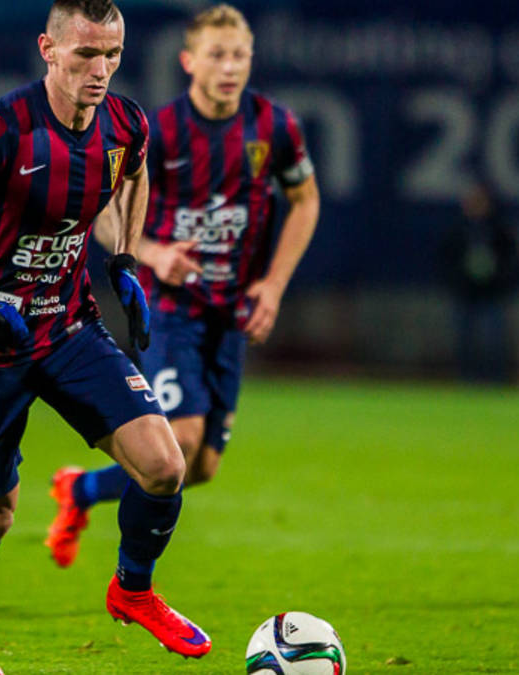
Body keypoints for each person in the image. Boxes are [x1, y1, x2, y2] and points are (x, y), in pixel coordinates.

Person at [0, 1, 211, 672]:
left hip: (69, 328)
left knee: (165, 466)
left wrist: (124, 259)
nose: (101, 70)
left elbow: (133, 174)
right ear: (48, 49)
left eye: (112, 55)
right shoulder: (1, 127)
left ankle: (132, 590)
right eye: (86, 54)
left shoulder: (125, 122)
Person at [44, 4, 319, 567]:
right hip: (169, 310)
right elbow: (102, 213)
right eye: (217, 55)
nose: (229, 67)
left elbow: (305, 200)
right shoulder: (160, 131)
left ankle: (81, 490)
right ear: (189, 62)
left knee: (203, 468)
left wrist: (272, 286)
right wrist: (152, 253)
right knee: (183, 439)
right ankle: (132, 577)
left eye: (239, 55)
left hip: (232, 313)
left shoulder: (274, 127)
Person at [439, 182, 518, 383]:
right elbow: (446, 260)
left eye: (480, 201)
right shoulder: (458, 231)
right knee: (464, 341)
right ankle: (466, 380)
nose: (475, 205)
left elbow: (510, 259)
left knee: (494, 341)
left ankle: (495, 381)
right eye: (472, 201)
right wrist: (458, 280)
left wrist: (499, 279)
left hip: (491, 294)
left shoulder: (498, 229)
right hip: (465, 294)